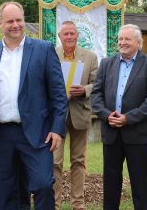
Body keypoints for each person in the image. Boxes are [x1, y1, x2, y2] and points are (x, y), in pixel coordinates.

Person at [0, 1, 68, 210]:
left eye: (19, 20)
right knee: (7, 192)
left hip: (37, 133)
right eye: (10, 21)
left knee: (44, 185)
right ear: (0, 24)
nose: (15, 25)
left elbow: (59, 95)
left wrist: (57, 129)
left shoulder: (43, 49)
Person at [91, 24, 147, 210]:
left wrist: (128, 118)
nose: (122, 42)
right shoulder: (107, 63)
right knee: (111, 181)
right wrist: (107, 116)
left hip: (137, 134)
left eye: (127, 39)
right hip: (111, 131)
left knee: (139, 182)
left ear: (138, 42)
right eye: (120, 39)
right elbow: (96, 95)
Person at [54, 21, 98, 210]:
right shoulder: (51, 55)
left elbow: (98, 84)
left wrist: (85, 89)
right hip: (56, 115)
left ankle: (77, 203)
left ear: (77, 35)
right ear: (60, 36)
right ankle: (53, 203)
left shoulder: (90, 57)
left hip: (80, 113)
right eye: (66, 34)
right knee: (55, 162)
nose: (70, 37)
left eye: (72, 33)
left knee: (78, 161)